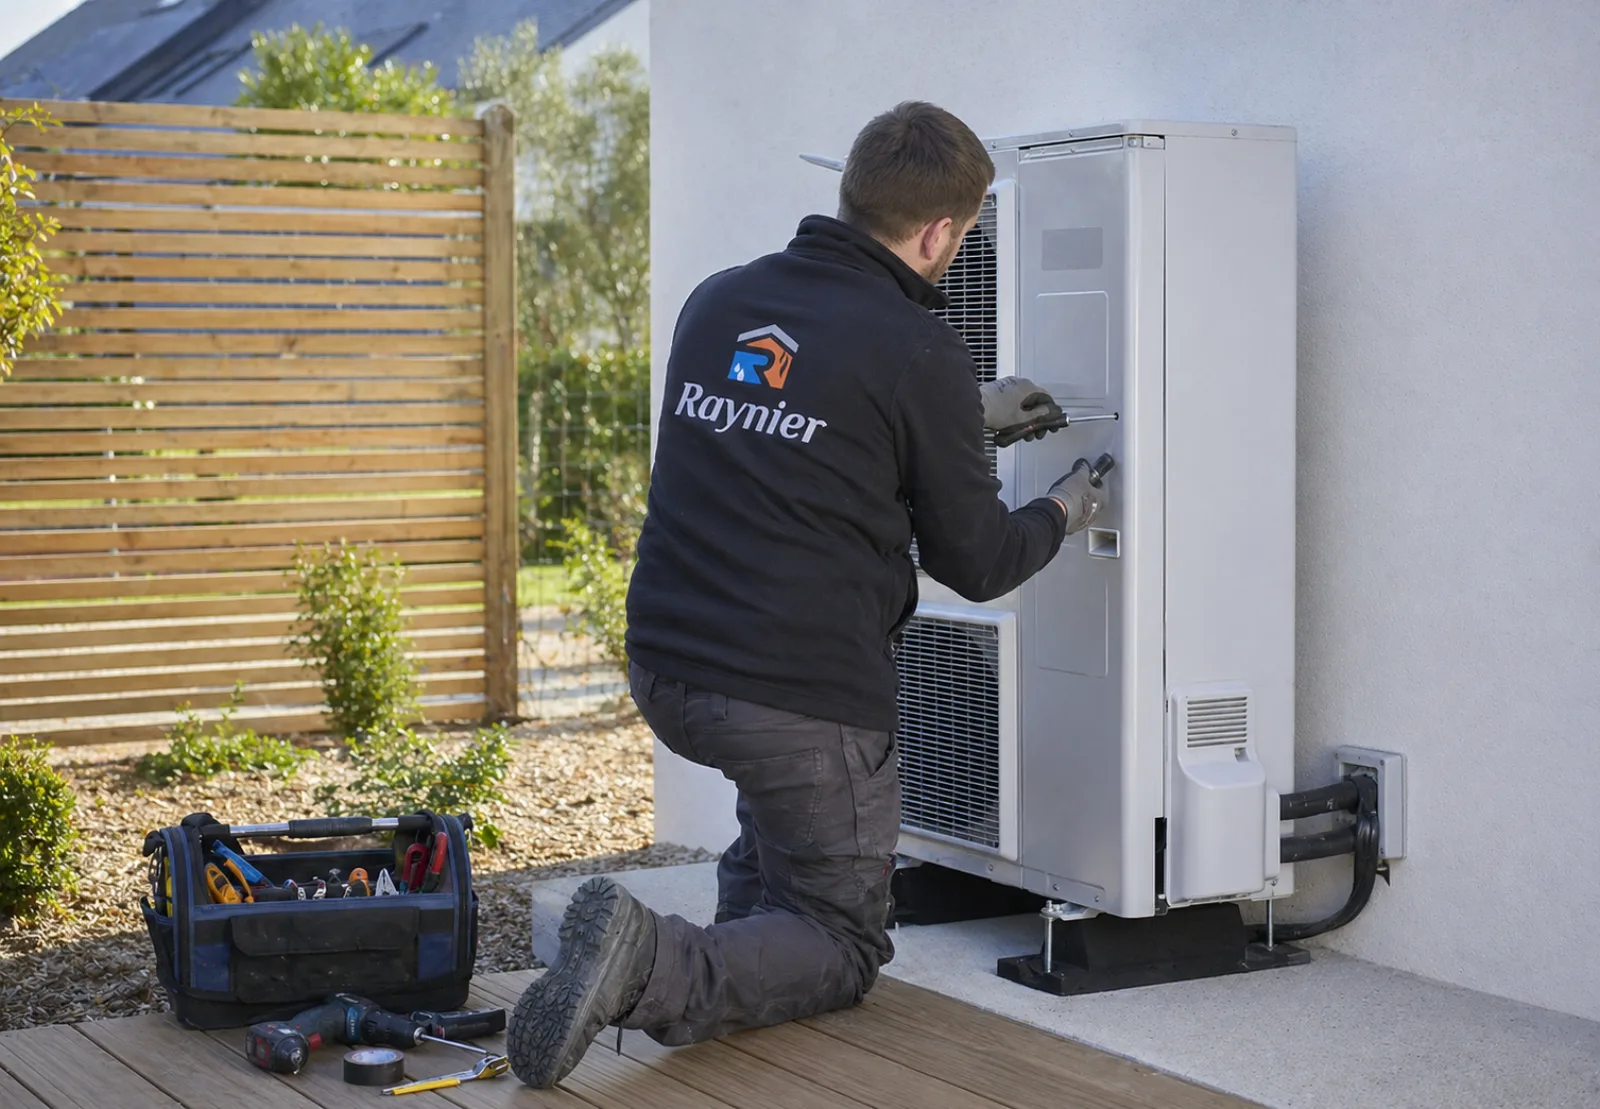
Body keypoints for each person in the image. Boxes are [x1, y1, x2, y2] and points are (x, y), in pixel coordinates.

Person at [506, 100, 1112, 1088]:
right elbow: (980, 559)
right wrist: (1068, 505)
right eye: (964, 235)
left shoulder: (720, 299)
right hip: (795, 698)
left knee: (783, 833)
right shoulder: (918, 351)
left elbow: (807, 444)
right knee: (839, 938)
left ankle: (713, 969)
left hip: (669, 668)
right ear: (936, 232)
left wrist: (966, 420)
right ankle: (648, 959)